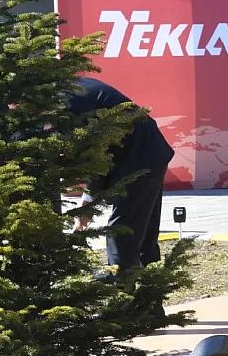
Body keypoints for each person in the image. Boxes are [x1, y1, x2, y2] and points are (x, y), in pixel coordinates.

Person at [70, 78, 175, 272]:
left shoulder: (70, 104)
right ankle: (148, 290)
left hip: (139, 156)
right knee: (141, 230)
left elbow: (97, 152)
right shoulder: (74, 89)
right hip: (146, 149)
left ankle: (123, 286)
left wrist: (88, 202)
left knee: (123, 230)